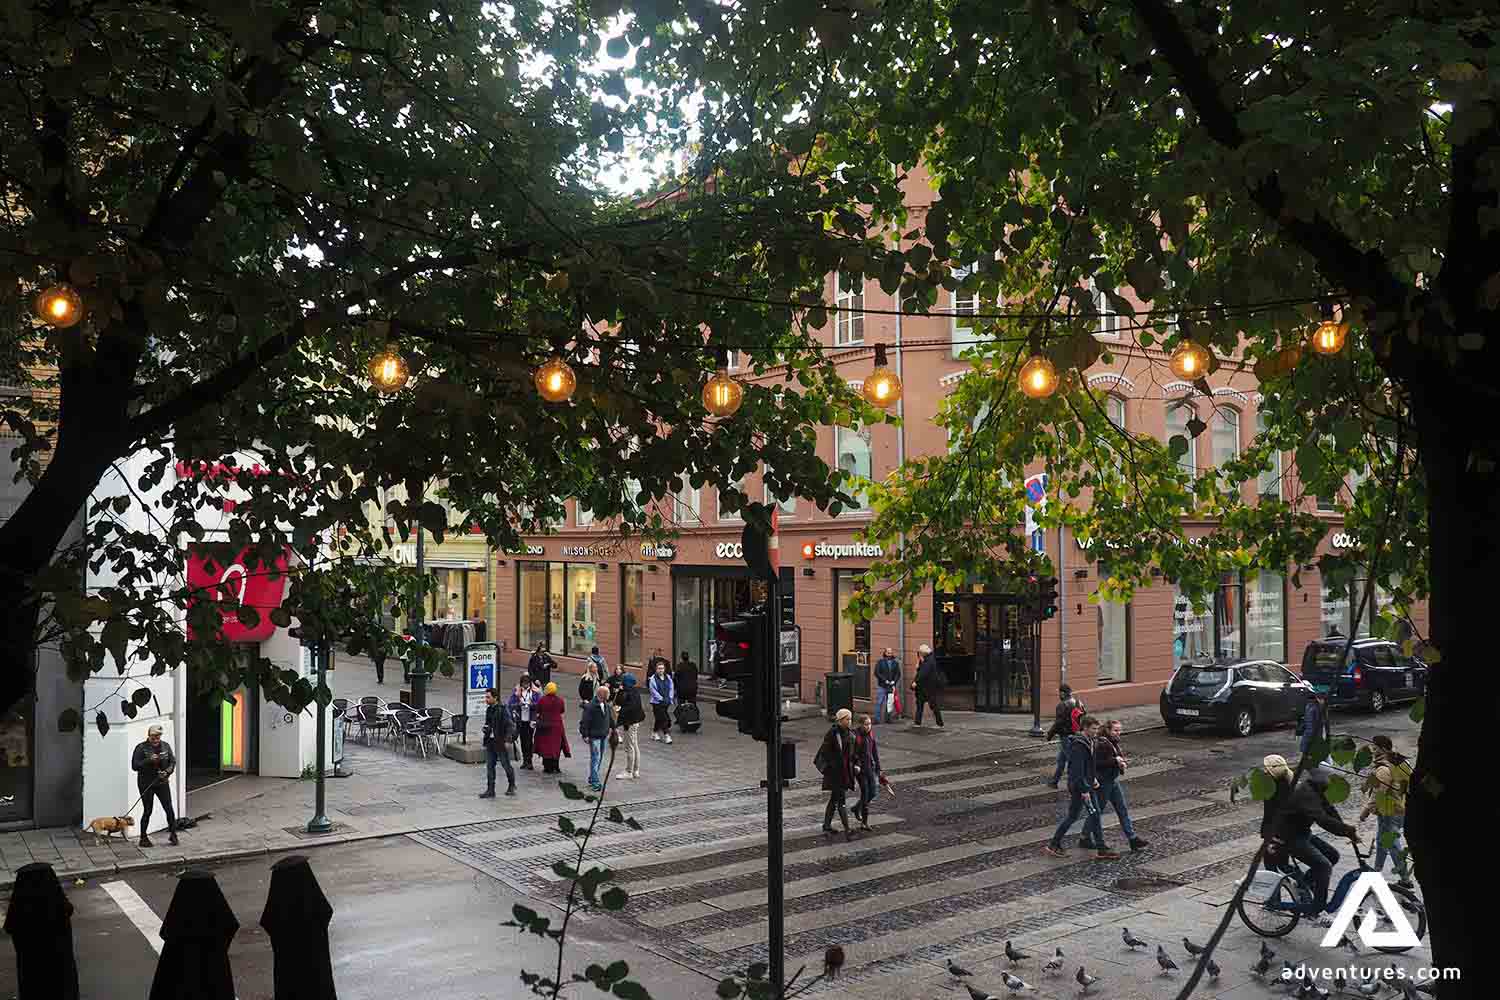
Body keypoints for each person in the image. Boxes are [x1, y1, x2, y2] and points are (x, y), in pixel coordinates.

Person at [1268, 768, 1360, 914]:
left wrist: (1346, 830)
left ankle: (1304, 883)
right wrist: (1346, 830)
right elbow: (1322, 819)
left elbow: (1329, 810)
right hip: (1289, 837)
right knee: (1324, 866)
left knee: (1333, 855)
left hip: (1302, 833)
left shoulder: (1317, 789)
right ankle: (1317, 907)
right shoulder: (1306, 793)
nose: (1330, 783)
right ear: (1321, 779)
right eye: (1329, 779)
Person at [1044, 715, 1117, 860]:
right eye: (1093, 729)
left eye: (1097, 729)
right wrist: (1084, 790)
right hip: (1081, 788)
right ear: (1085, 728)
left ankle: (1055, 844)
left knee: (1083, 815)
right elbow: (1077, 771)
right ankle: (1100, 848)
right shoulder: (1079, 745)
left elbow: (1088, 765)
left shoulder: (1089, 741)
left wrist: (1093, 778)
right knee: (1087, 815)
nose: (1096, 732)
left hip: (1086, 785)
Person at [1360, 735, 1413, 887]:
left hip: (1389, 810)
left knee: (1392, 845)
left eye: (1374, 748)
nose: (1372, 751)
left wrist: (1366, 810)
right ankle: (1376, 872)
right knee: (1381, 841)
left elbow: (1379, 792)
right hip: (1401, 807)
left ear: (1383, 749)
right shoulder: (1401, 761)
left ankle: (1405, 879)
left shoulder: (1384, 768)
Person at [1094, 719, 1149, 851]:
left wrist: (1120, 762)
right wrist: (1115, 761)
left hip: (1112, 780)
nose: (1118, 733)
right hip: (1104, 782)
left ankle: (1132, 838)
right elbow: (1097, 763)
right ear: (1108, 730)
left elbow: (1114, 757)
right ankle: (1085, 836)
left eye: (1120, 730)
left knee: (1122, 809)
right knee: (1096, 812)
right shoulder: (1102, 743)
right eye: (1115, 730)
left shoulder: (1112, 742)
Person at [130, 725, 179, 847]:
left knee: (169, 808)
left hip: (162, 782)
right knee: (148, 810)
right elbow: (135, 766)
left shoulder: (165, 746)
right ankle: (143, 838)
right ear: (149, 736)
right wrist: (149, 760)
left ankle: (173, 834)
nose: (156, 739)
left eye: (158, 736)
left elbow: (172, 762)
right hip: (146, 783)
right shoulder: (141, 748)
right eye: (154, 737)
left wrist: (167, 772)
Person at [815, 708, 857, 838]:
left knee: (834, 800)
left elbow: (852, 754)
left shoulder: (850, 734)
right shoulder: (833, 734)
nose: (849, 721)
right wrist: (831, 767)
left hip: (844, 773)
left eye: (850, 719)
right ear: (840, 720)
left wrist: (855, 765)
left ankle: (826, 825)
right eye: (847, 719)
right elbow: (825, 753)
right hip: (835, 774)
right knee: (841, 801)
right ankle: (847, 829)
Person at [479, 688, 517, 798]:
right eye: (486, 697)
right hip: (490, 742)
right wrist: (486, 729)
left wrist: (508, 740)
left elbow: (510, 725)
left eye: (488, 697)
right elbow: (488, 723)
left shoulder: (502, 709)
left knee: (506, 765)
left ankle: (512, 785)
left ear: (495, 698)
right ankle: (490, 790)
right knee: (490, 766)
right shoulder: (489, 709)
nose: (486, 699)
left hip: (500, 742)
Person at [1046, 684, 1085, 788]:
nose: (1059, 695)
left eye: (1060, 693)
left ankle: (1078, 783)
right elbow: (1084, 717)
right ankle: (1054, 781)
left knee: (1072, 761)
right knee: (1061, 759)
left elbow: (1058, 723)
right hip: (1076, 734)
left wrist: (1050, 734)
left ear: (1062, 693)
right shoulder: (1078, 702)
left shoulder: (1062, 705)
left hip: (1065, 736)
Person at [852, 714, 883, 830]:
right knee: (865, 794)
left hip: (870, 767)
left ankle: (856, 808)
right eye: (866, 724)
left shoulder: (870, 735)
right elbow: (853, 753)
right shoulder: (855, 736)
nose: (868, 726)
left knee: (873, 792)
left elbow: (874, 752)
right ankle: (864, 822)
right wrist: (857, 764)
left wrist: (879, 768)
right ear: (860, 725)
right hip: (860, 770)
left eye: (869, 724)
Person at [533, 681, 569, 775]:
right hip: (557, 726)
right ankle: (555, 766)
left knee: (546, 747)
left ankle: (547, 767)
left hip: (545, 726)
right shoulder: (560, 700)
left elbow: (538, 710)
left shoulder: (542, 700)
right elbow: (562, 711)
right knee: (556, 747)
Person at [580, 686, 612, 791]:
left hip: (603, 735)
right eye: (608, 693)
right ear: (603, 695)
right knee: (595, 758)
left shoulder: (606, 705)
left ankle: (592, 778)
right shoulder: (591, 707)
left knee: (599, 758)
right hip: (594, 736)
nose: (609, 695)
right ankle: (595, 782)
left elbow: (609, 718)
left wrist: (613, 727)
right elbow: (585, 722)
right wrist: (585, 735)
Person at [614, 673, 646, 779]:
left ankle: (629, 771)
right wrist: (620, 691)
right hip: (634, 722)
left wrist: (620, 711)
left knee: (629, 747)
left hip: (630, 723)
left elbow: (627, 707)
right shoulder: (634, 691)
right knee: (634, 745)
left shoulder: (630, 693)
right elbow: (619, 700)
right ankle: (635, 770)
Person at [508, 675, 538, 770]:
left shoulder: (534, 692)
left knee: (529, 740)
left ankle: (530, 761)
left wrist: (531, 704)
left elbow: (539, 704)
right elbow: (510, 705)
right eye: (524, 683)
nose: (525, 685)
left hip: (530, 720)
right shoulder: (517, 692)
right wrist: (518, 704)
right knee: (523, 740)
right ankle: (525, 760)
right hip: (520, 720)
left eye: (527, 683)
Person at [911, 643, 944, 727]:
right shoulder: (927, 660)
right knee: (920, 705)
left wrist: (915, 682)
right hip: (924, 687)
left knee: (933, 705)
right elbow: (921, 671)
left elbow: (923, 673)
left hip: (928, 687)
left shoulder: (929, 661)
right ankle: (918, 722)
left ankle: (940, 723)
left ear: (923, 652)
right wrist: (919, 665)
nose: (919, 654)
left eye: (920, 652)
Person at [649, 659, 676, 744]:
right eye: (659, 668)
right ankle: (667, 735)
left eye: (662, 668)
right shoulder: (653, 679)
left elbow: (671, 687)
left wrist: (670, 697)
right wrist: (661, 698)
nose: (661, 670)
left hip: (666, 701)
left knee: (659, 718)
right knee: (664, 719)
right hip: (657, 703)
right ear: (656, 669)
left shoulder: (668, 677)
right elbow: (653, 691)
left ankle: (654, 733)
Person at [873, 648, 902, 724]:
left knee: (889, 703)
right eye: (888, 652)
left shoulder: (895, 663)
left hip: (891, 686)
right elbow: (877, 672)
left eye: (891, 653)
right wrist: (884, 680)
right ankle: (877, 719)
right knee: (879, 702)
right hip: (882, 685)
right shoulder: (880, 662)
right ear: (885, 653)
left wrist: (894, 681)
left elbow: (898, 674)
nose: (889, 654)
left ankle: (888, 718)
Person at [1299, 690, 1327, 757]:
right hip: (1312, 735)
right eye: (1323, 700)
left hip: (1314, 734)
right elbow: (1311, 724)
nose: (1323, 701)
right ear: (1318, 699)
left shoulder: (1313, 706)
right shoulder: (1314, 708)